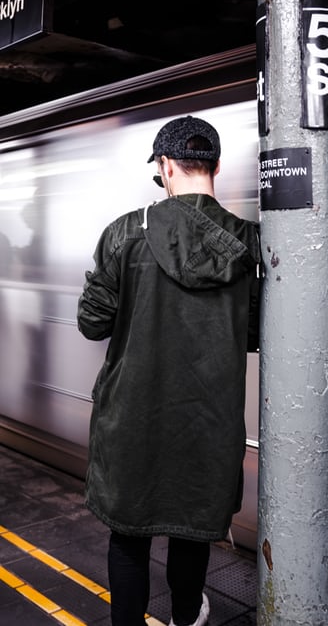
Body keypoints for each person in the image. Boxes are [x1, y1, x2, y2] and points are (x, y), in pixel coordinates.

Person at [77, 115, 260, 626]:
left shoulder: (124, 233)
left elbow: (92, 325)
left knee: (128, 537)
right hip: (209, 420)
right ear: (216, 166)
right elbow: (256, 333)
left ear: (164, 167)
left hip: (131, 418)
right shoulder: (250, 242)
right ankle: (186, 616)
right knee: (191, 530)